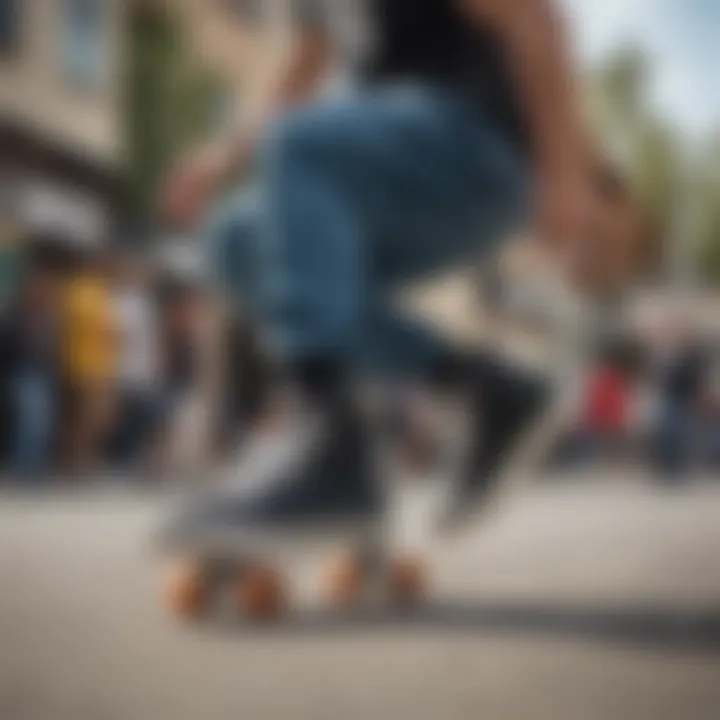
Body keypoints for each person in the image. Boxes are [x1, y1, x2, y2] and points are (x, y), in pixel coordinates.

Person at [160, 0, 597, 540]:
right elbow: (300, 73)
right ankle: (491, 387)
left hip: (478, 150)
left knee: (304, 143)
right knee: (239, 243)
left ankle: (331, 454)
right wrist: (219, 158)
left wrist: (565, 168)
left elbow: (532, 17)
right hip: (393, 171)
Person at [60, 248, 117, 477]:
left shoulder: (101, 291)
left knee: (101, 417)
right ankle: (75, 463)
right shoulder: (78, 290)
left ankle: (87, 460)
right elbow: (78, 326)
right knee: (86, 417)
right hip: (83, 363)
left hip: (103, 365)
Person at [0, 260, 60, 478]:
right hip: (23, 372)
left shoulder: (49, 316)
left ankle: (32, 465)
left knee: (42, 420)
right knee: (33, 418)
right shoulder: (16, 314)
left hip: (44, 374)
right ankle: (24, 466)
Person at [107, 251, 162, 470]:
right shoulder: (112, 300)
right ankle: (120, 459)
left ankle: (133, 458)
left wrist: (155, 365)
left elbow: (151, 336)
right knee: (120, 418)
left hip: (142, 370)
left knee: (142, 417)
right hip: (118, 370)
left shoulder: (143, 303)